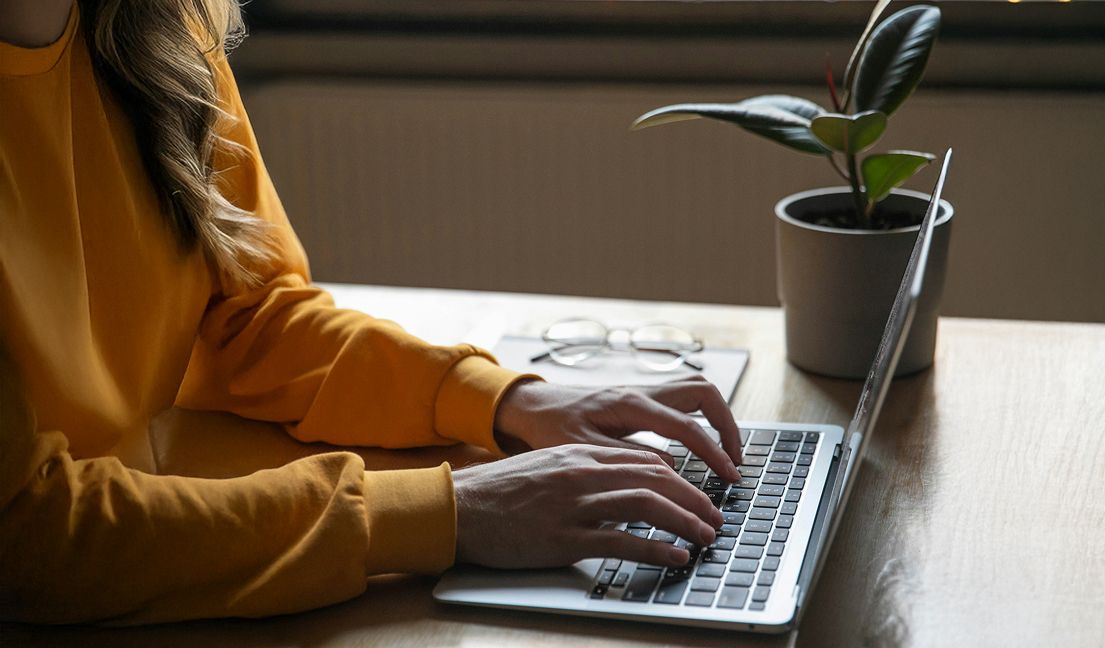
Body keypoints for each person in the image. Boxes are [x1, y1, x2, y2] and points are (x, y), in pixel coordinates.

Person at [0, 0, 744, 624]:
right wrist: (444, 514)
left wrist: (508, 401)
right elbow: (28, 534)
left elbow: (249, 318)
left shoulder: (155, 24)